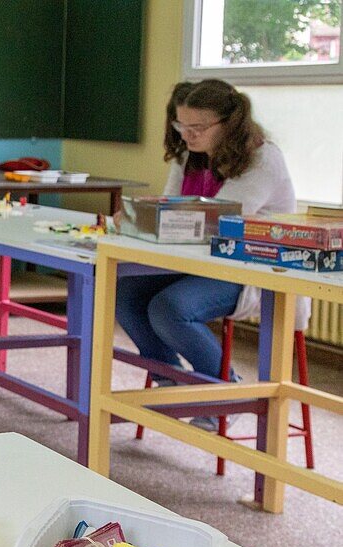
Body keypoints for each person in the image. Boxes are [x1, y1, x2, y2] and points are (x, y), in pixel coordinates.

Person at [116, 78, 297, 430]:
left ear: (228, 124)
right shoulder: (189, 153)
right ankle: (170, 382)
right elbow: (169, 207)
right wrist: (142, 214)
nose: (187, 135)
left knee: (170, 308)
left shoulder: (262, 158)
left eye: (197, 127)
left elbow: (218, 222)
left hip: (251, 269)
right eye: (181, 125)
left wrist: (155, 216)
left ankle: (221, 392)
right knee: (124, 293)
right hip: (196, 261)